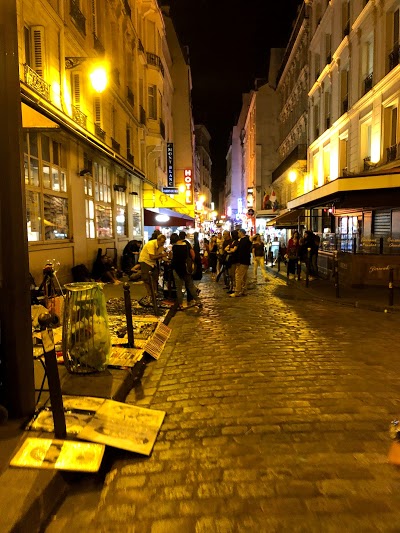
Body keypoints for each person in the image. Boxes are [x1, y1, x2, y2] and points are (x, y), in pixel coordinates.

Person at [170, 233, 202, 310]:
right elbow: (191, 255)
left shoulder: (174, 247)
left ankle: (180, 304)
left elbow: (173, 258)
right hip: (186, 269)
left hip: (177, 269)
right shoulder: (186, 245)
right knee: (190, 286)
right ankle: (198, 301)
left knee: (178, 288)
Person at [138, 234, 168, 305]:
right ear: (158, 240)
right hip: (145, 261)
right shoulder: (151, 244)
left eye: (164, 242)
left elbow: (161, 256)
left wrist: (168, 260)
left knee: (155, 276)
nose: (163, 244)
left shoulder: (160, 246)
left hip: (153, 263)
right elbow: (152, 257)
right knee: (146, 278)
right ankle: (149, 294)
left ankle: (155, 293)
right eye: (162, 242)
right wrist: (162, 255)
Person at [230, 228, 252, 297]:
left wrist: (238, 261)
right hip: (246, 261)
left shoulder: (244, 240)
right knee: (244, 276)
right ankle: (244, 290)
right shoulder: (246, 240)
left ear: (241, 233)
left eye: (239, 233)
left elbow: (241, 252)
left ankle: (237, 291)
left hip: (242, 261)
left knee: (238, 276)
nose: (238, 234)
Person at [225, 230, 239, 294]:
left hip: (234, 259)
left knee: (233, 274)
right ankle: (231, 287)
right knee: (230, 274)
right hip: (230, 260)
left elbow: (233, 250)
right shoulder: (232, 242)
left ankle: (234, 287)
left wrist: (229, 250)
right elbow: (226, 248)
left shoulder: (236, 242)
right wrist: (229, 249)